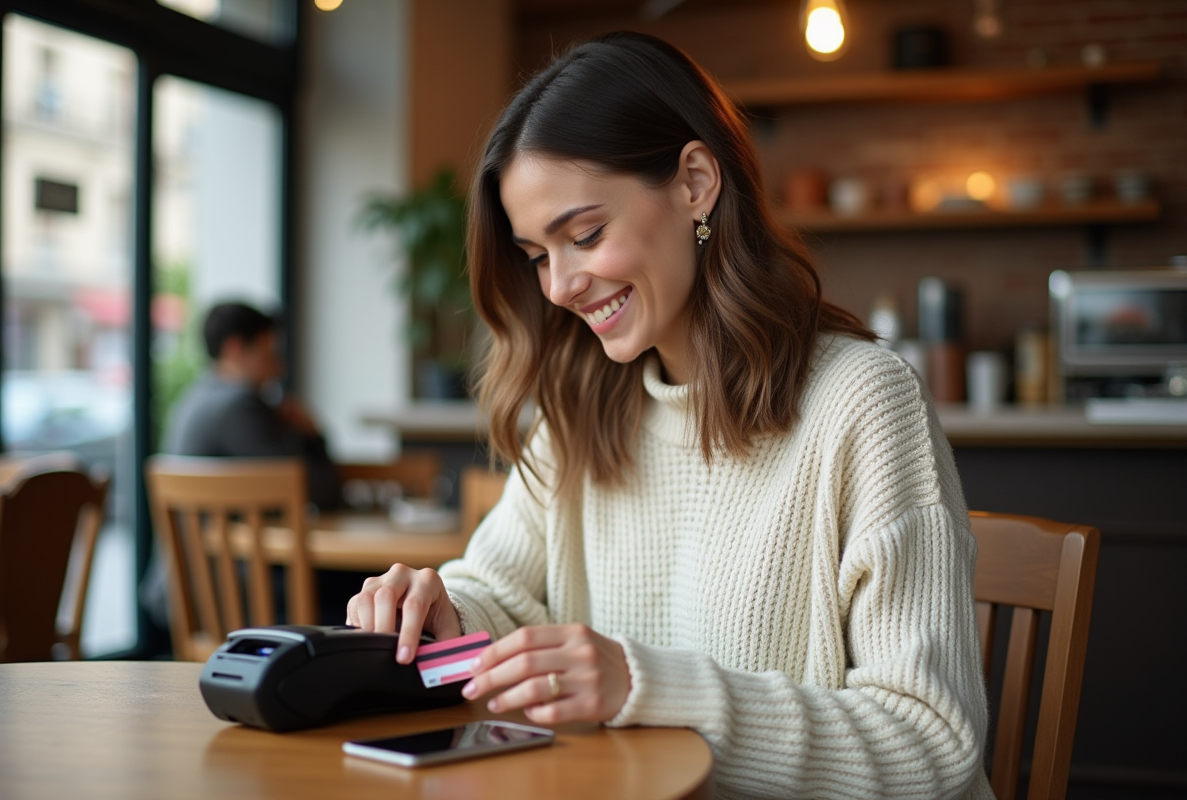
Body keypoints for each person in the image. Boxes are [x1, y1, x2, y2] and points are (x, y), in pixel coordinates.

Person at [347, 32, 992, 800]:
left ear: (694, 182)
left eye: (584, 235)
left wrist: (641, 687)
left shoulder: (862, 402)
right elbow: (501, 594)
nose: (557, 288)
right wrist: (440, 609)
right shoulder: (585, 405)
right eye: (537, 256)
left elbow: (933, 743)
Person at [164, 301, 341, 510]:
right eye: (270, 354)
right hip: (230, 542)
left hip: (198, 541)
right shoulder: (239, 408)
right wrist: (312, 434)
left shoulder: (194, 397)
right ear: (235, 349)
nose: (278, 369)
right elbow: (319, 492)